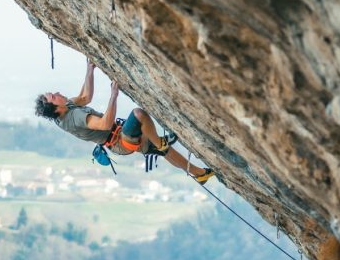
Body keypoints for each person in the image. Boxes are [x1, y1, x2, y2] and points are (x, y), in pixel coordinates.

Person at [34, 59, 214, 183]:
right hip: (119, 141)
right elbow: (104, 124)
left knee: (164, 150)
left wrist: (90, 69)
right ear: (56, 108)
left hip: (118, 135)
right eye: (53, 96)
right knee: (138, 115)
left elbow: (85, 96)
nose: (57, 93)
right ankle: (159, 142)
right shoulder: (73, 117)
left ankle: (199, 174)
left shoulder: (65, 108)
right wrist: (113, 96)